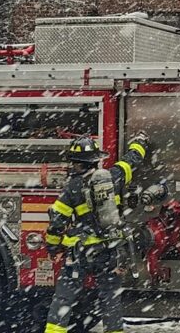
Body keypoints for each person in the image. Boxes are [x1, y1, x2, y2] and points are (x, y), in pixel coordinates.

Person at [44, 133, 151, 333]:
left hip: (80, 253)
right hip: (109, 251)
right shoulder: (114, 176)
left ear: (77, 163)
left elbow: (57, 222)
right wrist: (140, 142)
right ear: (95, 159)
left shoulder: (72, 187)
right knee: (110, 299)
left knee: (64, 298)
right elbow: (131, 161)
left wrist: (53, 247)